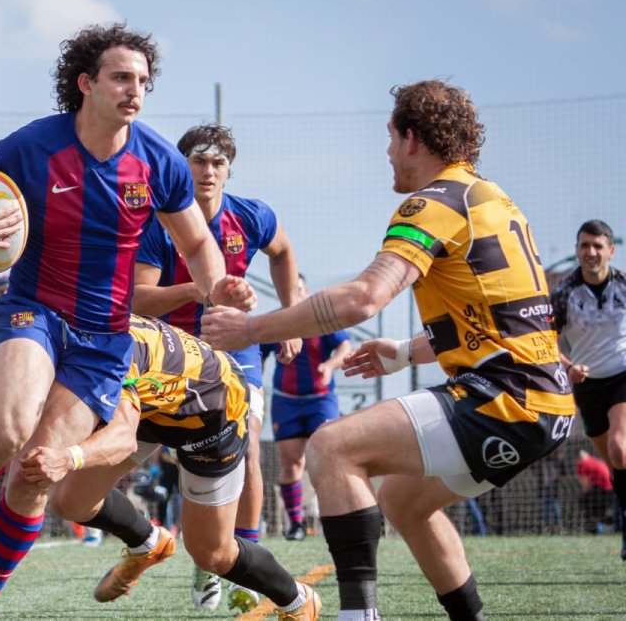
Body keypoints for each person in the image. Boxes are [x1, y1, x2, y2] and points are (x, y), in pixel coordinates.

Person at [0, 23, 246, 619]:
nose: (135, 91)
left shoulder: (158, 162)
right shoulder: (31, 147)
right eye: (122, 77)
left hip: (104, 340)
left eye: (143, 81)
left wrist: (216, 284)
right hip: (34, 310)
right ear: (86, 83)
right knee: (6, 435)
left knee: (32, 477)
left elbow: (198, 243)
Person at [201, 79, 574, 621]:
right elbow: (498, 321)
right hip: (543, 400)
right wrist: (402, 353)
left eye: (390, 138)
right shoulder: (494, 200)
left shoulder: (432, 204)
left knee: (332, 446)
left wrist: (251, 328)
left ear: (412, 139)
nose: (387, 153)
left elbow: (362, 298)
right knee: (403, 500)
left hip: (505, 399)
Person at [0, 316, 322, 620]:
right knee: (69, 500)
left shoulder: (96, 361)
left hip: (209, 413)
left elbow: (120, 435)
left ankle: (299, 601)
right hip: (149, 408)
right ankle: (150, 541)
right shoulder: (25, 341)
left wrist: (69, 456)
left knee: (213, 555)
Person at [133, 122, 302, 612]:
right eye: (198, 162)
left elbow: (285, 251)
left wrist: (289, 318)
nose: (208, 171)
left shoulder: (251, 216)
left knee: (247, 441)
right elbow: (140, 300)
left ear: (229, 170)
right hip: (169, 352)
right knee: (134, 449)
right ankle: (165, 543)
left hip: (234, 344)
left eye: (217, 163)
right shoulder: (158, 224)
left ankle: (240, 568)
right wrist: (193, 289)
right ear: (182, 167)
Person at [550, 219, 626, 559]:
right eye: (584, 245)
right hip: (588, 385)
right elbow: (543, 341)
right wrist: (568, 368)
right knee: (614, 464)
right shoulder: (565, 293)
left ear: (610, 250)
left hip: (623, 375)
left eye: (598, 246)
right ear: (577, 249)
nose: (591, 252)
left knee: (620, 448)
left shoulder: (624, 285)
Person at [260, 275, 351, 542]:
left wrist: (329, 366)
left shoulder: (321, 318)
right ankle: (296, 525)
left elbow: (344, 345)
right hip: (285, 401)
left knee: (329, 459)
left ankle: (335, 521)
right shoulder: (274, 322)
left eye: (298, 290)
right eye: (289, 289)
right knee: (291, 464)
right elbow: (259, 351)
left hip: (321, 400)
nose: (294, 295)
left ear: (307, 291)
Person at [576, 448, 616, 534]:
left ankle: (595, 528)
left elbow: (586, 485)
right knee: (601, 510)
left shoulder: (582, 464)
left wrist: (583, 496)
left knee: (585, 505)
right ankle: (605, 525)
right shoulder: (594, 460)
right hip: (611, 489)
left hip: (601, 490)